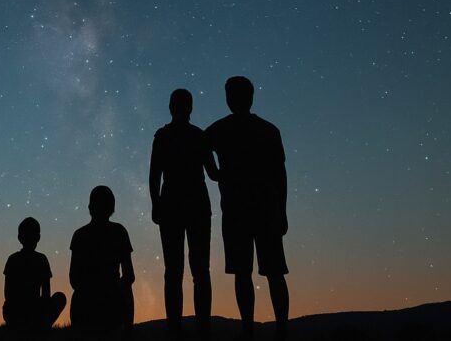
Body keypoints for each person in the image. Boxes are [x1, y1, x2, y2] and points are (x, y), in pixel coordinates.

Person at [206, 76, 290, 341]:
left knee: (242, 272)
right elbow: (281, 175)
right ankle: (281, 330)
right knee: (274, 271)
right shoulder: (269, 130)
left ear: (229, 99)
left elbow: (200, 145)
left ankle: (247, 330)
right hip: (267, 206)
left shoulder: (220, 129)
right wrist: (283, 210)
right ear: (251, 98)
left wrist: (214, 172)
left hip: (236, 209)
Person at [150, 88, 219, 337]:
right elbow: (214, 174)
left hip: (172, 206)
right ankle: (202, 329)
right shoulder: (199, 136)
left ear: (171, 107)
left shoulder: (164, 136)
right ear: (190, 108)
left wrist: (155, 203)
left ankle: (176, 330)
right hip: (195, 206)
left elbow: (154, 174)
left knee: (175, 271)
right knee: (199, 271)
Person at [69, 185, 135, 332]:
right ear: (112, 207)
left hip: (84, 304)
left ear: (90, 207)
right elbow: (129, 275)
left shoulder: (79, 235)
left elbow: (73, 278)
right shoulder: (120, 232)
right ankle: (128, 332)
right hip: (113, 304)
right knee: (127, 288)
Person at [2, 217, 67, 330]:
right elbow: (46, 292)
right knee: (60, 298)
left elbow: (8, 293)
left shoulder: (13, 259)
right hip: (34, 312)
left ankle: (22, 326)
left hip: (14, 313)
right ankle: (40, 326)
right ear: (38, 237)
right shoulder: (41, 259)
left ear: (19, 238)